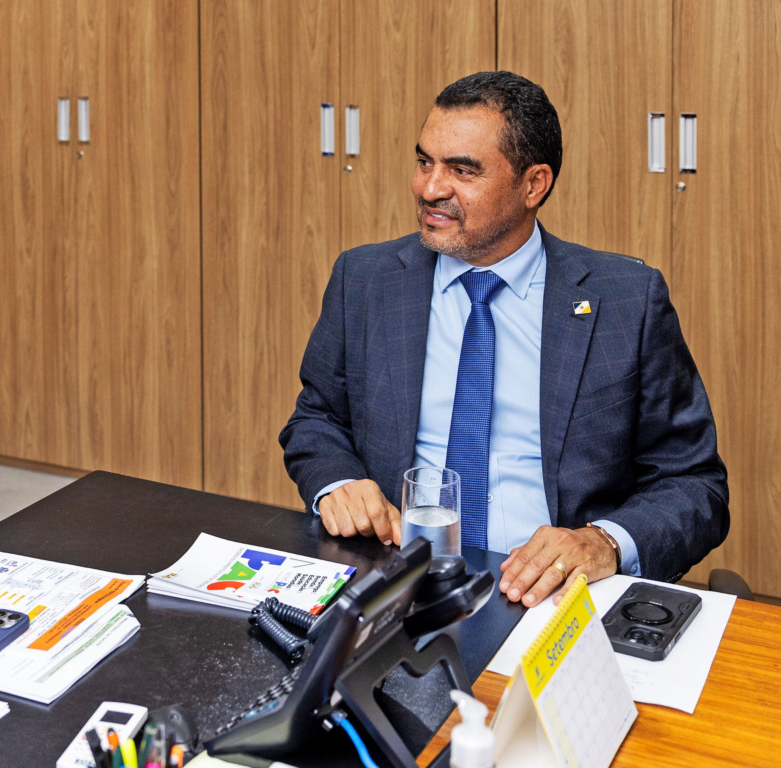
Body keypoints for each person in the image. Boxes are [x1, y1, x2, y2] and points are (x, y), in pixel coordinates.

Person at [280, 71, 727, 610]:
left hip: (553, 600)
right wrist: (338, 483)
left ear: (534, 184)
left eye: (462, 170)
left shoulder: (626, 302)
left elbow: (695, 485)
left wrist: (604, 541)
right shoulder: (365, 279)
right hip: (398, 587)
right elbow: (316, 420)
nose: (430, 188)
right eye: (425, 162)